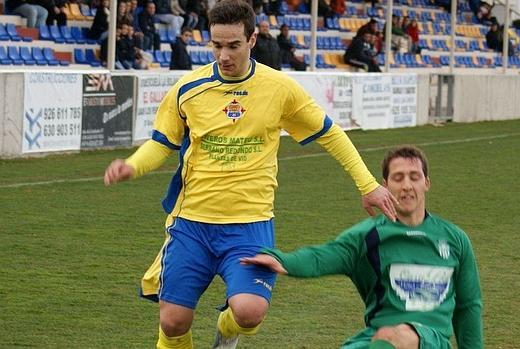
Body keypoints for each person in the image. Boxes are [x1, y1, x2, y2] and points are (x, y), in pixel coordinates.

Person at [102, 1, 397, 349]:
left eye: (233, 45)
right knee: (173, 320)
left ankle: (227, 334)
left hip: (249, 224)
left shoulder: (279, 89)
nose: (224, 55)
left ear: (253, 39)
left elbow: (330, 133)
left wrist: (368, 185)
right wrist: (133, 165)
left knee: (249, 311)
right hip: (192, 223)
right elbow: (161, 144)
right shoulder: (188, 90)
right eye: (216, 45)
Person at [242, 145, 483, 349]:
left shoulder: (455, 239)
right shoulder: (368, 236)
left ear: (426, 183)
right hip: (377, 338)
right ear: (385, 184)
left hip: (432, 339)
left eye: (414, 176)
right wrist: (282, 260)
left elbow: (468, 306)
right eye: (398, 178)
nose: (407, 185)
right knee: (385, 337)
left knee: (395, 335)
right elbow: (324, 256)